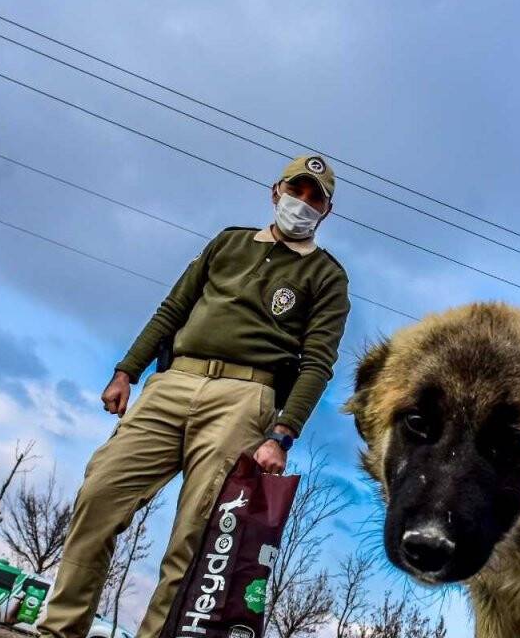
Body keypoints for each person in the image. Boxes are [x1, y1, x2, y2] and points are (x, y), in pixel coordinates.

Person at [40, 155, 351, 638]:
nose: (303, 203)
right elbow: (173, 309)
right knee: (99, 494)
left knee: (197, 534)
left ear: (326, 211)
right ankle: (60, 629)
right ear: (276, 191)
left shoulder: (327, 277)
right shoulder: (227, 243)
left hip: (246, 396)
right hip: (173, 382)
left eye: (315, 198)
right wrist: (127, 371)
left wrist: (281, 435)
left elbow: (317, 363)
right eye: (297, 190)